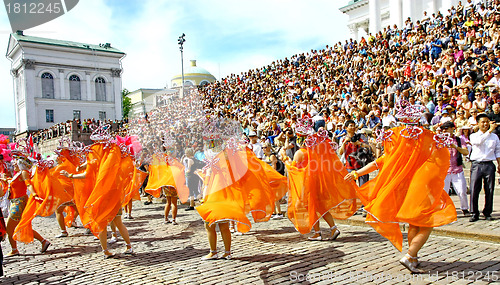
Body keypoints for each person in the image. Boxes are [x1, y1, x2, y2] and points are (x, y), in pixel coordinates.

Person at [344, 101, 456, 273]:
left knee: (414, 223)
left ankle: (414, 257)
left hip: (407, 188)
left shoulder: (398, 146)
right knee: (426, 223)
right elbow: (441, 160)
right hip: (422, 186)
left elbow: (378, 162)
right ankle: (410, 255)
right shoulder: (426, 140)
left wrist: (357, 173)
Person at [283, 122, 358, 241]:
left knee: (311, 207)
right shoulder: (314, 152)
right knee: (319, 207)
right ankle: (332, 228)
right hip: (317, 183)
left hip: (307, 185)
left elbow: (293, 169)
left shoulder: (300, 153)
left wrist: (285, 159)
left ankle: (318, 232)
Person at [468, 113, 500, 222]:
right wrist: (489, 131)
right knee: (474, 189)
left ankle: (487, 212)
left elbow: (497, 151)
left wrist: (499, 164)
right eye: (483, 122)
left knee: (489, 189)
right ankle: (474, 212)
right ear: (478, 123)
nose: (485, 124)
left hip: (489, 164)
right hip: (477, 164)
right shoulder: (474, 135)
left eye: (487, 122)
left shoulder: (494, 137)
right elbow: (478, 142)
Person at [441, 121, 471, 216]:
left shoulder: (459, 140)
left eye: (447, 128)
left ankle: (464, 208)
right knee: (443, 192)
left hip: (457, 169)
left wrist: (455, 147)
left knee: (461, 191)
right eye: (443, 129)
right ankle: (443, 209)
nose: (445, 131)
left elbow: (466, 152)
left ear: (452, 129)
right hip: (445, 170)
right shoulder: (440, 140)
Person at [338, 120, 370, 186]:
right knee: (351, 190)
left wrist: (360, 143)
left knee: (363, 187)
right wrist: (345, 142)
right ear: (346, 128)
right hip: (349, 166)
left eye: (354, 126)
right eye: (351, 126)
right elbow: (340, 152)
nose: (353, 127)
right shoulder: (343, 139)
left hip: (361, 165)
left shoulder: (360, 136)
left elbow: (368, 147)